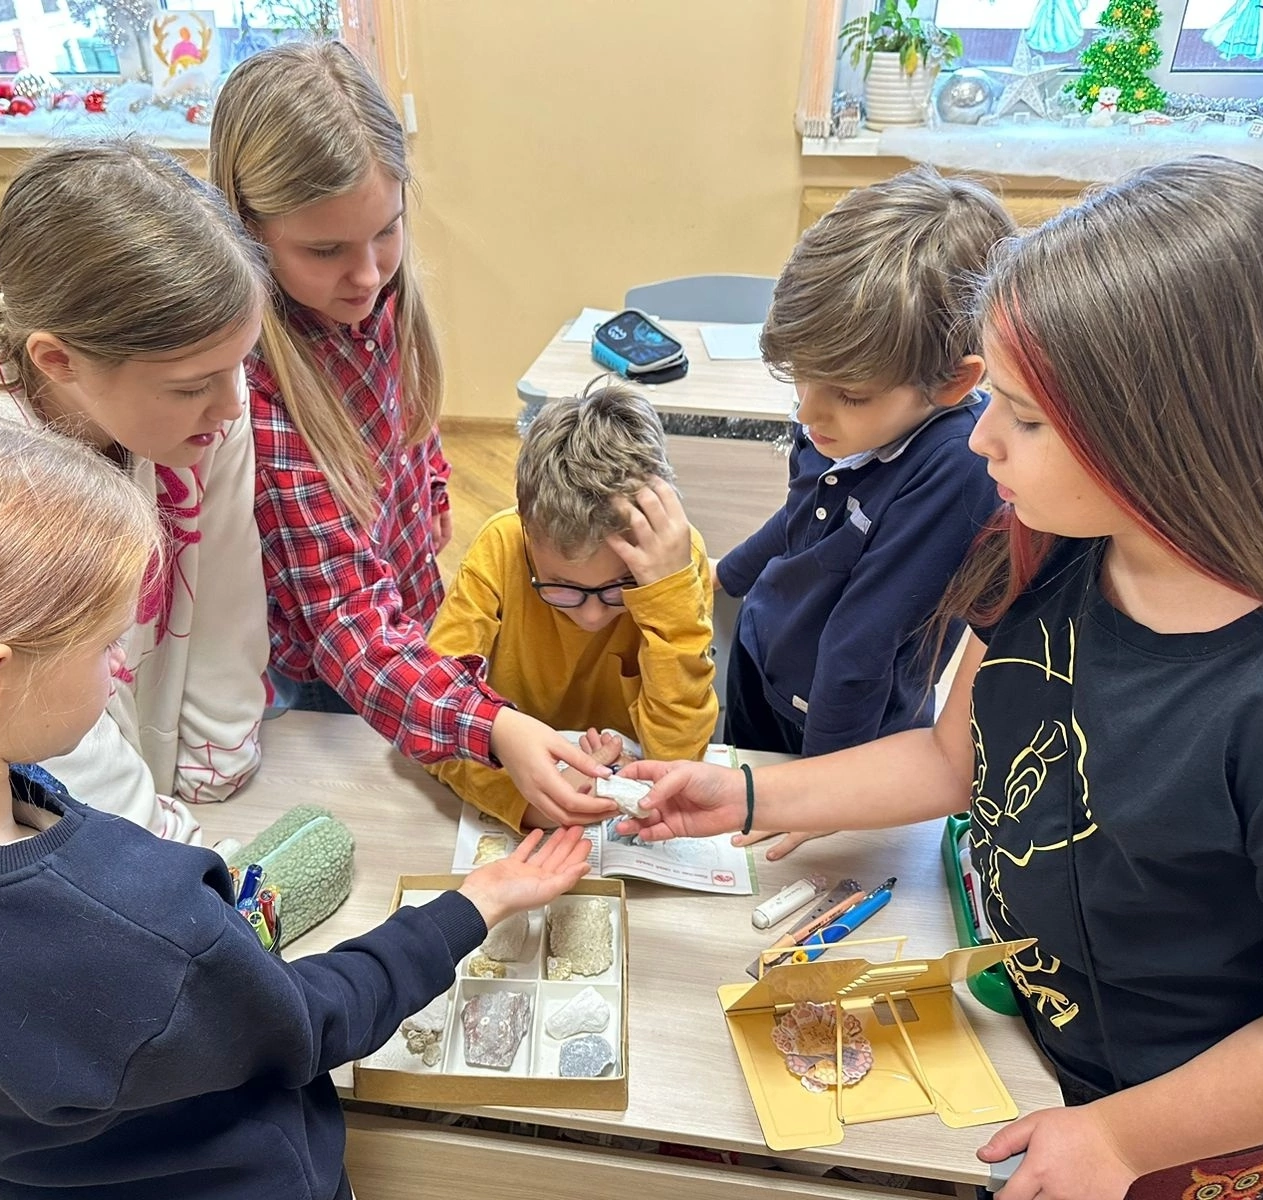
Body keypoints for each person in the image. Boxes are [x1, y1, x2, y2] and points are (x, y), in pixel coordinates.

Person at [619, 157, 1263, 1200]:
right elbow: (956, 754)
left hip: (1177, 1124)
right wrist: (755, 791)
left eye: (1026, 418)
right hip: (1031, 1040)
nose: (982, 437)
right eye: (990, 399)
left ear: (1172, 434)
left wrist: (1123, 1141)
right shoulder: (1050, 550)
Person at [0, 395, 592, 1200]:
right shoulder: (133, 923)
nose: (119, 667)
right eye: (107, 642)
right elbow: (305, 1024)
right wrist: (474, 903)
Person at [210, 42, 610, 825]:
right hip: (325, 674)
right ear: (248, 230)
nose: (368, 274)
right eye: (325, 250)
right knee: (382, 814)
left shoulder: (376, 301)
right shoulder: (255, 389)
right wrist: (492, 726)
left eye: (386, 232)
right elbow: (348, 628)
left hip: (402, 616)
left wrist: (425, 502)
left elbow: (410, 429)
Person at [0, 140, 269, 845]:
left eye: (238, 366)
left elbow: (225, 583)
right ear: (57, 359)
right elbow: (42, 714)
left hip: (123, 770)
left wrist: (218, 761)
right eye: (193, 385)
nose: (231, 404)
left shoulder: (204, 392)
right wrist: (164, 853)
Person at [716, 167, 1012, 859]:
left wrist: (824, 789)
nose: (808, 411)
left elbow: (862, 645)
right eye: (801, 378)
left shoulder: (957, 469)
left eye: (847, 393)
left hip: (849, 728)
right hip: (767, 657)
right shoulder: (836, 418)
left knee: (804, 858)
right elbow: (798, 517)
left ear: (953, 383)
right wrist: (726, 577)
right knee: (744, 822)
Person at [427, 385, 717, 828]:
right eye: (561, 588)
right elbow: (431, 715)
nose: (591, 616)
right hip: (521, 782)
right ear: (528, 530)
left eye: (620, 588)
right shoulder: (503, 544)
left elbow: (677, 760)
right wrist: (522, 800)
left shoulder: (676, 563)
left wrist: (668, 600)